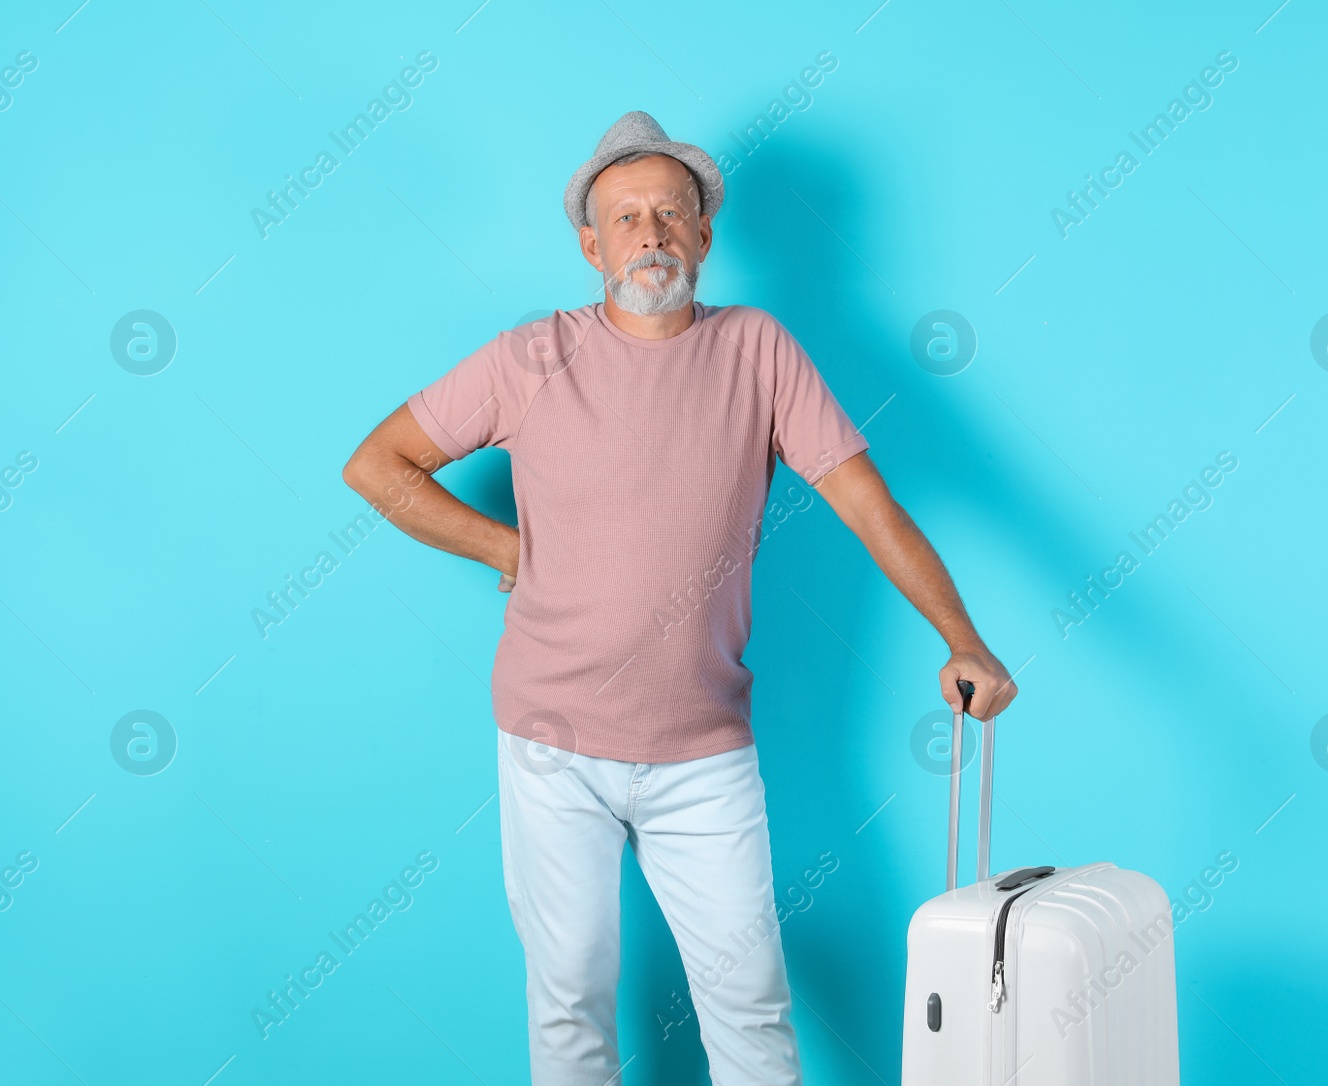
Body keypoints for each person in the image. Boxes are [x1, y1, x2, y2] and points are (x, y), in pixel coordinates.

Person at [342, 109, 1016, 1086]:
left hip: (703, 753)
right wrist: (502, 544)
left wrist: (964, 638)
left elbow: (871, 509)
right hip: (550, 740)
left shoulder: (758, 350)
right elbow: (378, 465)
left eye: (670, 213)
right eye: (624, 217)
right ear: (589, 243)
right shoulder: (530, 357)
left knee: (748, 1001)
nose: (649, 233)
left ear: (704, 236)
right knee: (569, 991)